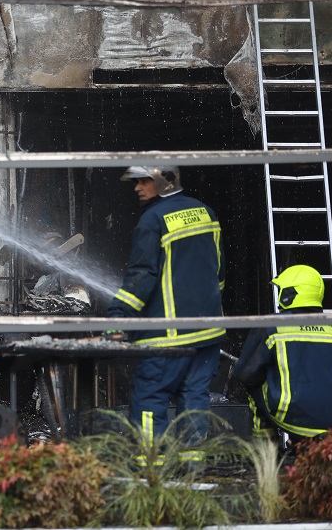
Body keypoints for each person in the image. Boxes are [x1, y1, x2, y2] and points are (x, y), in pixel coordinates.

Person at [106, 165, 226, 459]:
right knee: (194, 399)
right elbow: (218, 271)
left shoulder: (153, 219)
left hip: (167, 336)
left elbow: (141, 276)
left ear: (164, 180)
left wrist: (118, 318)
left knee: (150, 398)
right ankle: (192, 472)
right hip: (208, 332)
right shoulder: (205, 212)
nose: (136, 187)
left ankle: (152, 474)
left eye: (143, 180)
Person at [233, 264, 332, 445]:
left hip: (290, 416)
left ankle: (266, 453)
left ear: (291, 294)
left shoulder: (272, 325)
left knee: (253, 388)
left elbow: (245, 374)